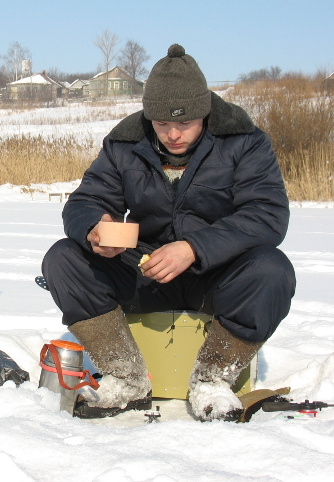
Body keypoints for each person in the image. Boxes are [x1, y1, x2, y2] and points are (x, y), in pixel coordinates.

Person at [42, 44, 296, 420]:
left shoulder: (245, 141)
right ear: (149, 117)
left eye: (185, 124)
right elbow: (85, 202)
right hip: (144, 271)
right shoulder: (124, 144)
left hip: (213, 274)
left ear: (205, 113)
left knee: (271, 270)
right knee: (63, 258)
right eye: (162, 125)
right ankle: (126, 377)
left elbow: (267, 215)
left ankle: (212, 381)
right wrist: (96, 229)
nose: (173, 134)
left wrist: (194, 247)